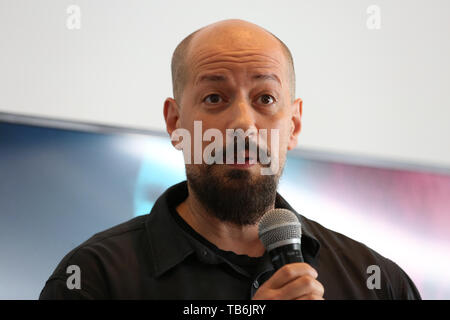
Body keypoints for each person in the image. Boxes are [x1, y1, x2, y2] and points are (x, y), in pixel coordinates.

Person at [39, 19, 421, 300]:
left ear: (293, 124)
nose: (243, 123)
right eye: (214, 98)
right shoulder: (93, 279)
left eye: (265, 99)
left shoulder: (378, 283)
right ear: (175, 122)